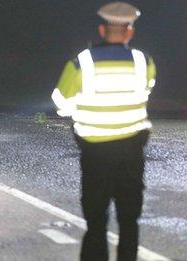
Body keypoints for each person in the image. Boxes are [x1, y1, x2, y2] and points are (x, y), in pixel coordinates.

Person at [51, 2, 156, 261]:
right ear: (129, 32)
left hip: (95, 155)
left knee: (96, 222)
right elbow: (146, 91)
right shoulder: (145, 62)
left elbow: (60, 104)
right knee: (129, 222)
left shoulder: (80, 64)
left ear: (102, 30)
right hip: (132, 154)